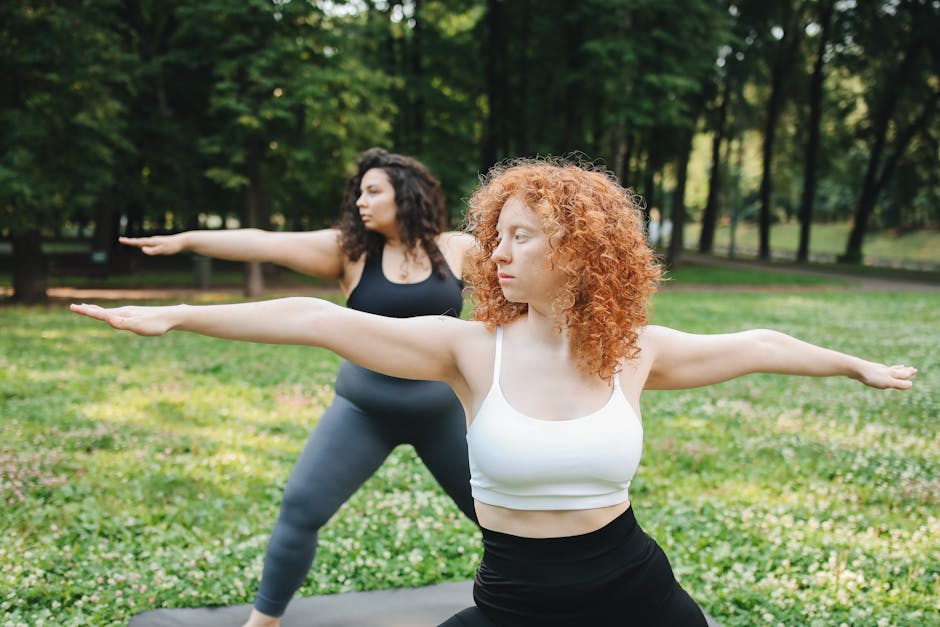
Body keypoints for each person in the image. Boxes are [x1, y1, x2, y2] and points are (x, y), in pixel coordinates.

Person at [72, 157, 916, 626]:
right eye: (494, 236)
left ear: (581, 254)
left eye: (520, 237)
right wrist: (177, 313)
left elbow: (760, 342)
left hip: (636, 593)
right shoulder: (469, 351)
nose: (497, 254)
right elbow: (312, 318)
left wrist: (857, 365)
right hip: (512, 605)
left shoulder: (636, 351)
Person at [120, 148, 478, 627]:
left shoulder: (458, 249)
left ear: (406, 195)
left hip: (444, 410)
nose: (360, 203)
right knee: (300, 508)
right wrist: (186, 240)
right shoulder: (349, 251)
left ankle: (536, 602)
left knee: (503, 513)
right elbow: (262, 242)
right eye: (358, 193)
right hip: (364, 410)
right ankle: (264, 622)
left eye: (373, 192)